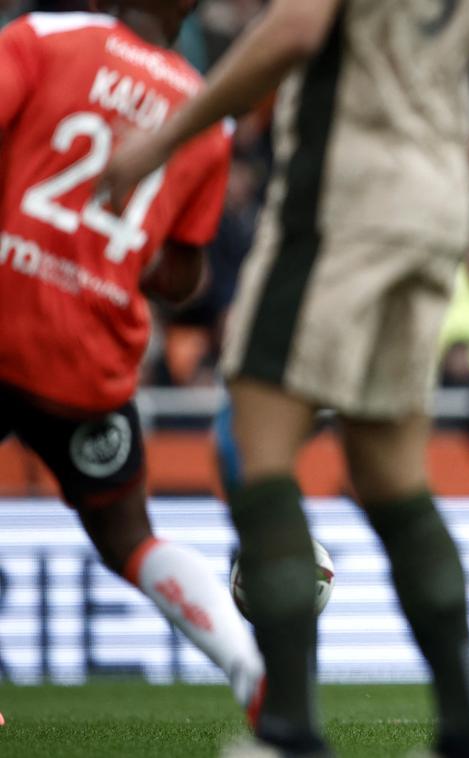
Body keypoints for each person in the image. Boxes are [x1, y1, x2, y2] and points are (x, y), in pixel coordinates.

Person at [99, 1, 469, 756]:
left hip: (341, 198)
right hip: (438, 204)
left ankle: (288, 731)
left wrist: (157, 144)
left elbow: (295, 29)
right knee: (390, 474)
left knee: (255, 449)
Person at [0, 1, 262, 714]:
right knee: (131, 539)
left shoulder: (45, 40)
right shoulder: (207, 115)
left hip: (5, 310)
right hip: (88, 354)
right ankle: (249, 669)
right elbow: (181, 275)